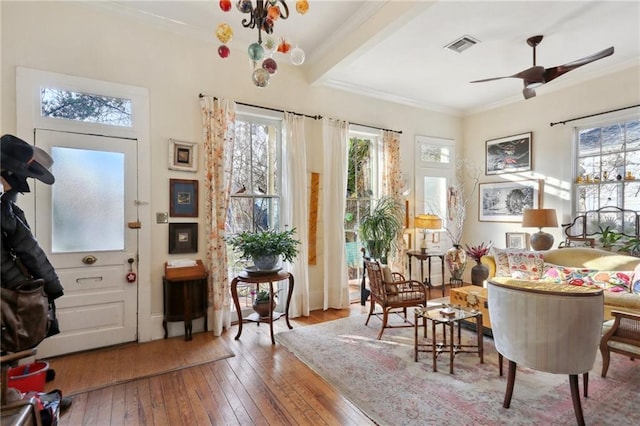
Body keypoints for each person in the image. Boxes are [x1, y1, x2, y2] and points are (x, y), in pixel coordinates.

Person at [1, 134, 71, 412]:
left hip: (13, 290)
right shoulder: (5, 209)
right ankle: (23, 408)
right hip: (11, 291)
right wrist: (50, 287)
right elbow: (27, 250)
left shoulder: (6, 207)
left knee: (10, 350)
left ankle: (22, 403)